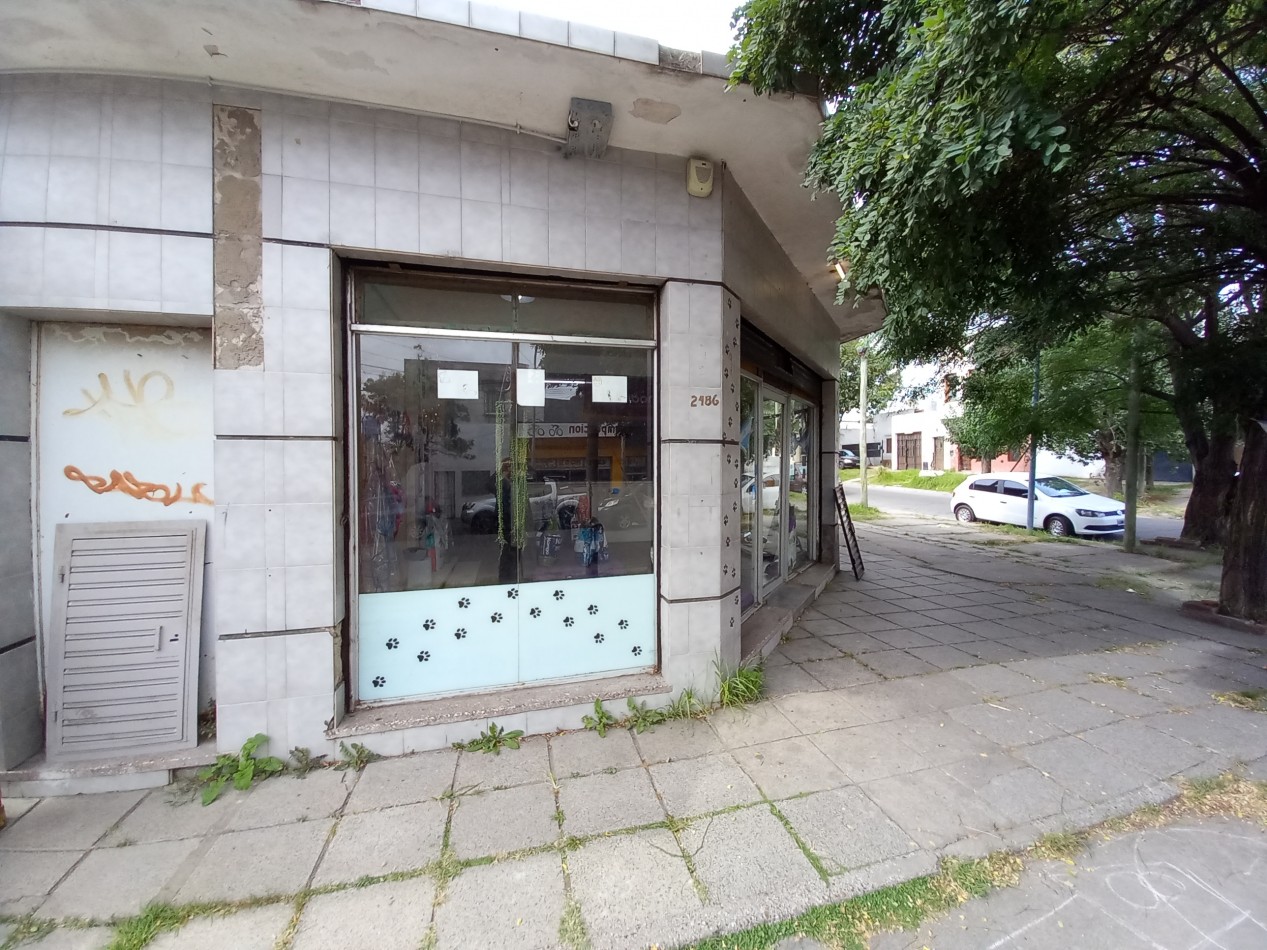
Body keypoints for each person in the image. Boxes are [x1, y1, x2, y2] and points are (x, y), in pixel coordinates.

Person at [497, 458, 521, 583]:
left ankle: (511, 578)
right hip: (507, 526)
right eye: (510, 468)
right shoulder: (503, 485)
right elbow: (504, 508)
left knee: (514, 554)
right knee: (507, 553)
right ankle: (506, 579)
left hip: (513, 525)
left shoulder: (514, 484)